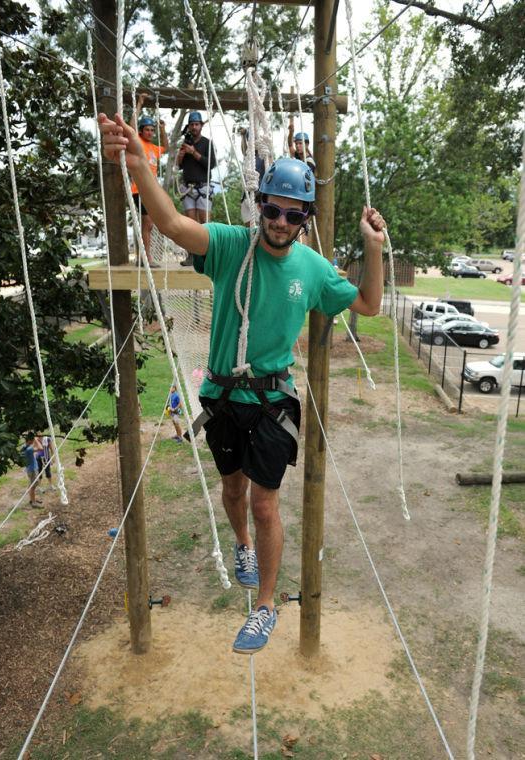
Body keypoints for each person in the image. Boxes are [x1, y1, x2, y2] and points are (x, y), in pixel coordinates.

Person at [99, 112, 385, 656]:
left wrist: (373, 248)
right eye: (272, 210)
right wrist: (140, 166)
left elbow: (368, 303)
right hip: (224, 396)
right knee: (232, 491)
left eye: (291, 214)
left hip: (272, 400)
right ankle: (243, 548)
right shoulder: (232, 245)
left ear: (304, 218)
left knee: (264, 502)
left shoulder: (313, 268)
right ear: (260, 207)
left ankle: (266, 606)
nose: (279, 222)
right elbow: (175, 226)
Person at [130, 92, 169, 261]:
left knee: (149, 224)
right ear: (141, 131)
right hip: (139, 188)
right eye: (147, 129)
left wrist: (163, 130)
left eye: (152, 130)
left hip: (150, 189)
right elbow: (131, 126)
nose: (150, 132)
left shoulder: (153, 148)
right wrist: (139, 103)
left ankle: (144, 256)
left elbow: (165, 147)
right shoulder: (137, 142)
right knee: (147, 222)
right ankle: (147, 258)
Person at [176, 111, 217, 266]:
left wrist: (194, 153)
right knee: (190, 225)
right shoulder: (185, 143)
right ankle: (192, 256)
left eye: (196, 124)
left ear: (201, 125)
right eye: (192, 125)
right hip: (188, 188)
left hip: (203, 187)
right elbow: (179, 166)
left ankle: (210, 255)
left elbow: (211, 164)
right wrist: (181, 155)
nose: (194, 127)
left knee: (206, 223)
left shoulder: (207, 143)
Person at [239, 127, 265, 227]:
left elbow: (270, 166)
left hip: (256, 197)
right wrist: (243, 136)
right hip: (246, 197)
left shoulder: (263, 156)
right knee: (248, 230)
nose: (252, 142)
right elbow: (244, 149)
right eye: (250, 139)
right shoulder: (248, 156)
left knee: (257, 228)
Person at [21, 432, 41, 508]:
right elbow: (40, 448)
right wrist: (36, 440)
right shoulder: (29, 449)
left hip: (29, 469)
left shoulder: (24, 447)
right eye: (32, 440)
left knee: (31, 485)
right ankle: (33, 503)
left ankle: (32, 499)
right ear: (30, 440)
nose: (33, 441)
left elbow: (34, 448)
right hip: (32, 469)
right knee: (33, 486)